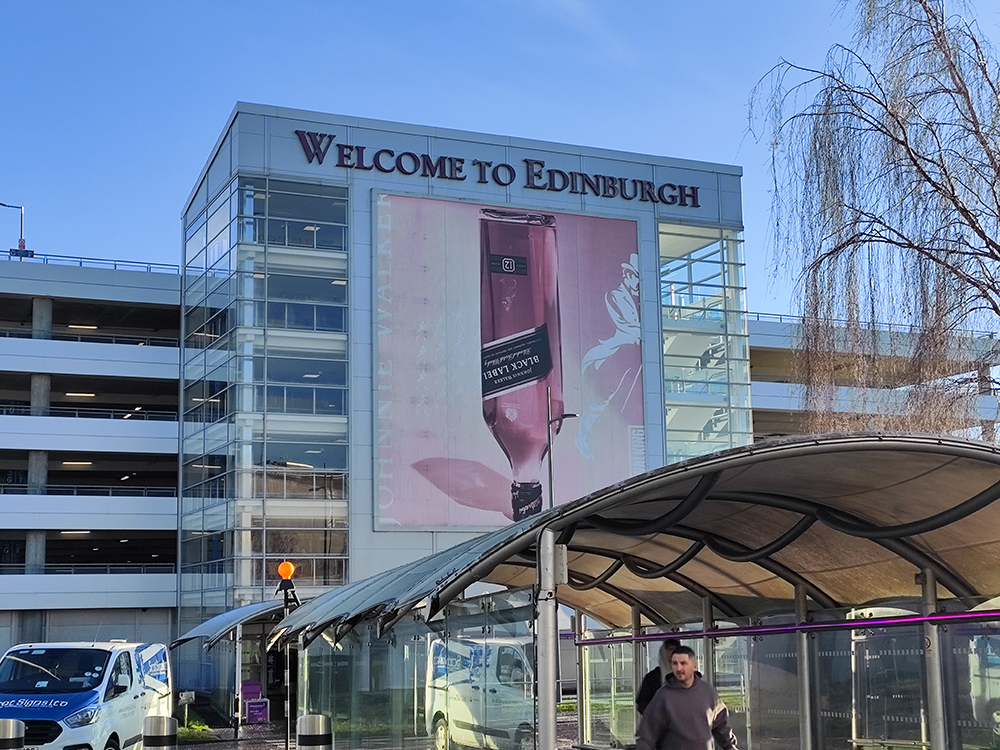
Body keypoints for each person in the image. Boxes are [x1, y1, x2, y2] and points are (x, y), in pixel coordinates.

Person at [636, 645, 738, 750]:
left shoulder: (707, 692)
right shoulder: (663, 697)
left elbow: (721, 725)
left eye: (683, 663)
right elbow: (647, 737)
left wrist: (731, 746)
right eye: (674, 663)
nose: (679, 668)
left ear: (694, 666)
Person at [636, 638, 680, 714]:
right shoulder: (652, 677)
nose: (672, 653)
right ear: (663, 653)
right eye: (670, 649)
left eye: (676, 650)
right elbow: (642, 704)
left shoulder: (687, 675)